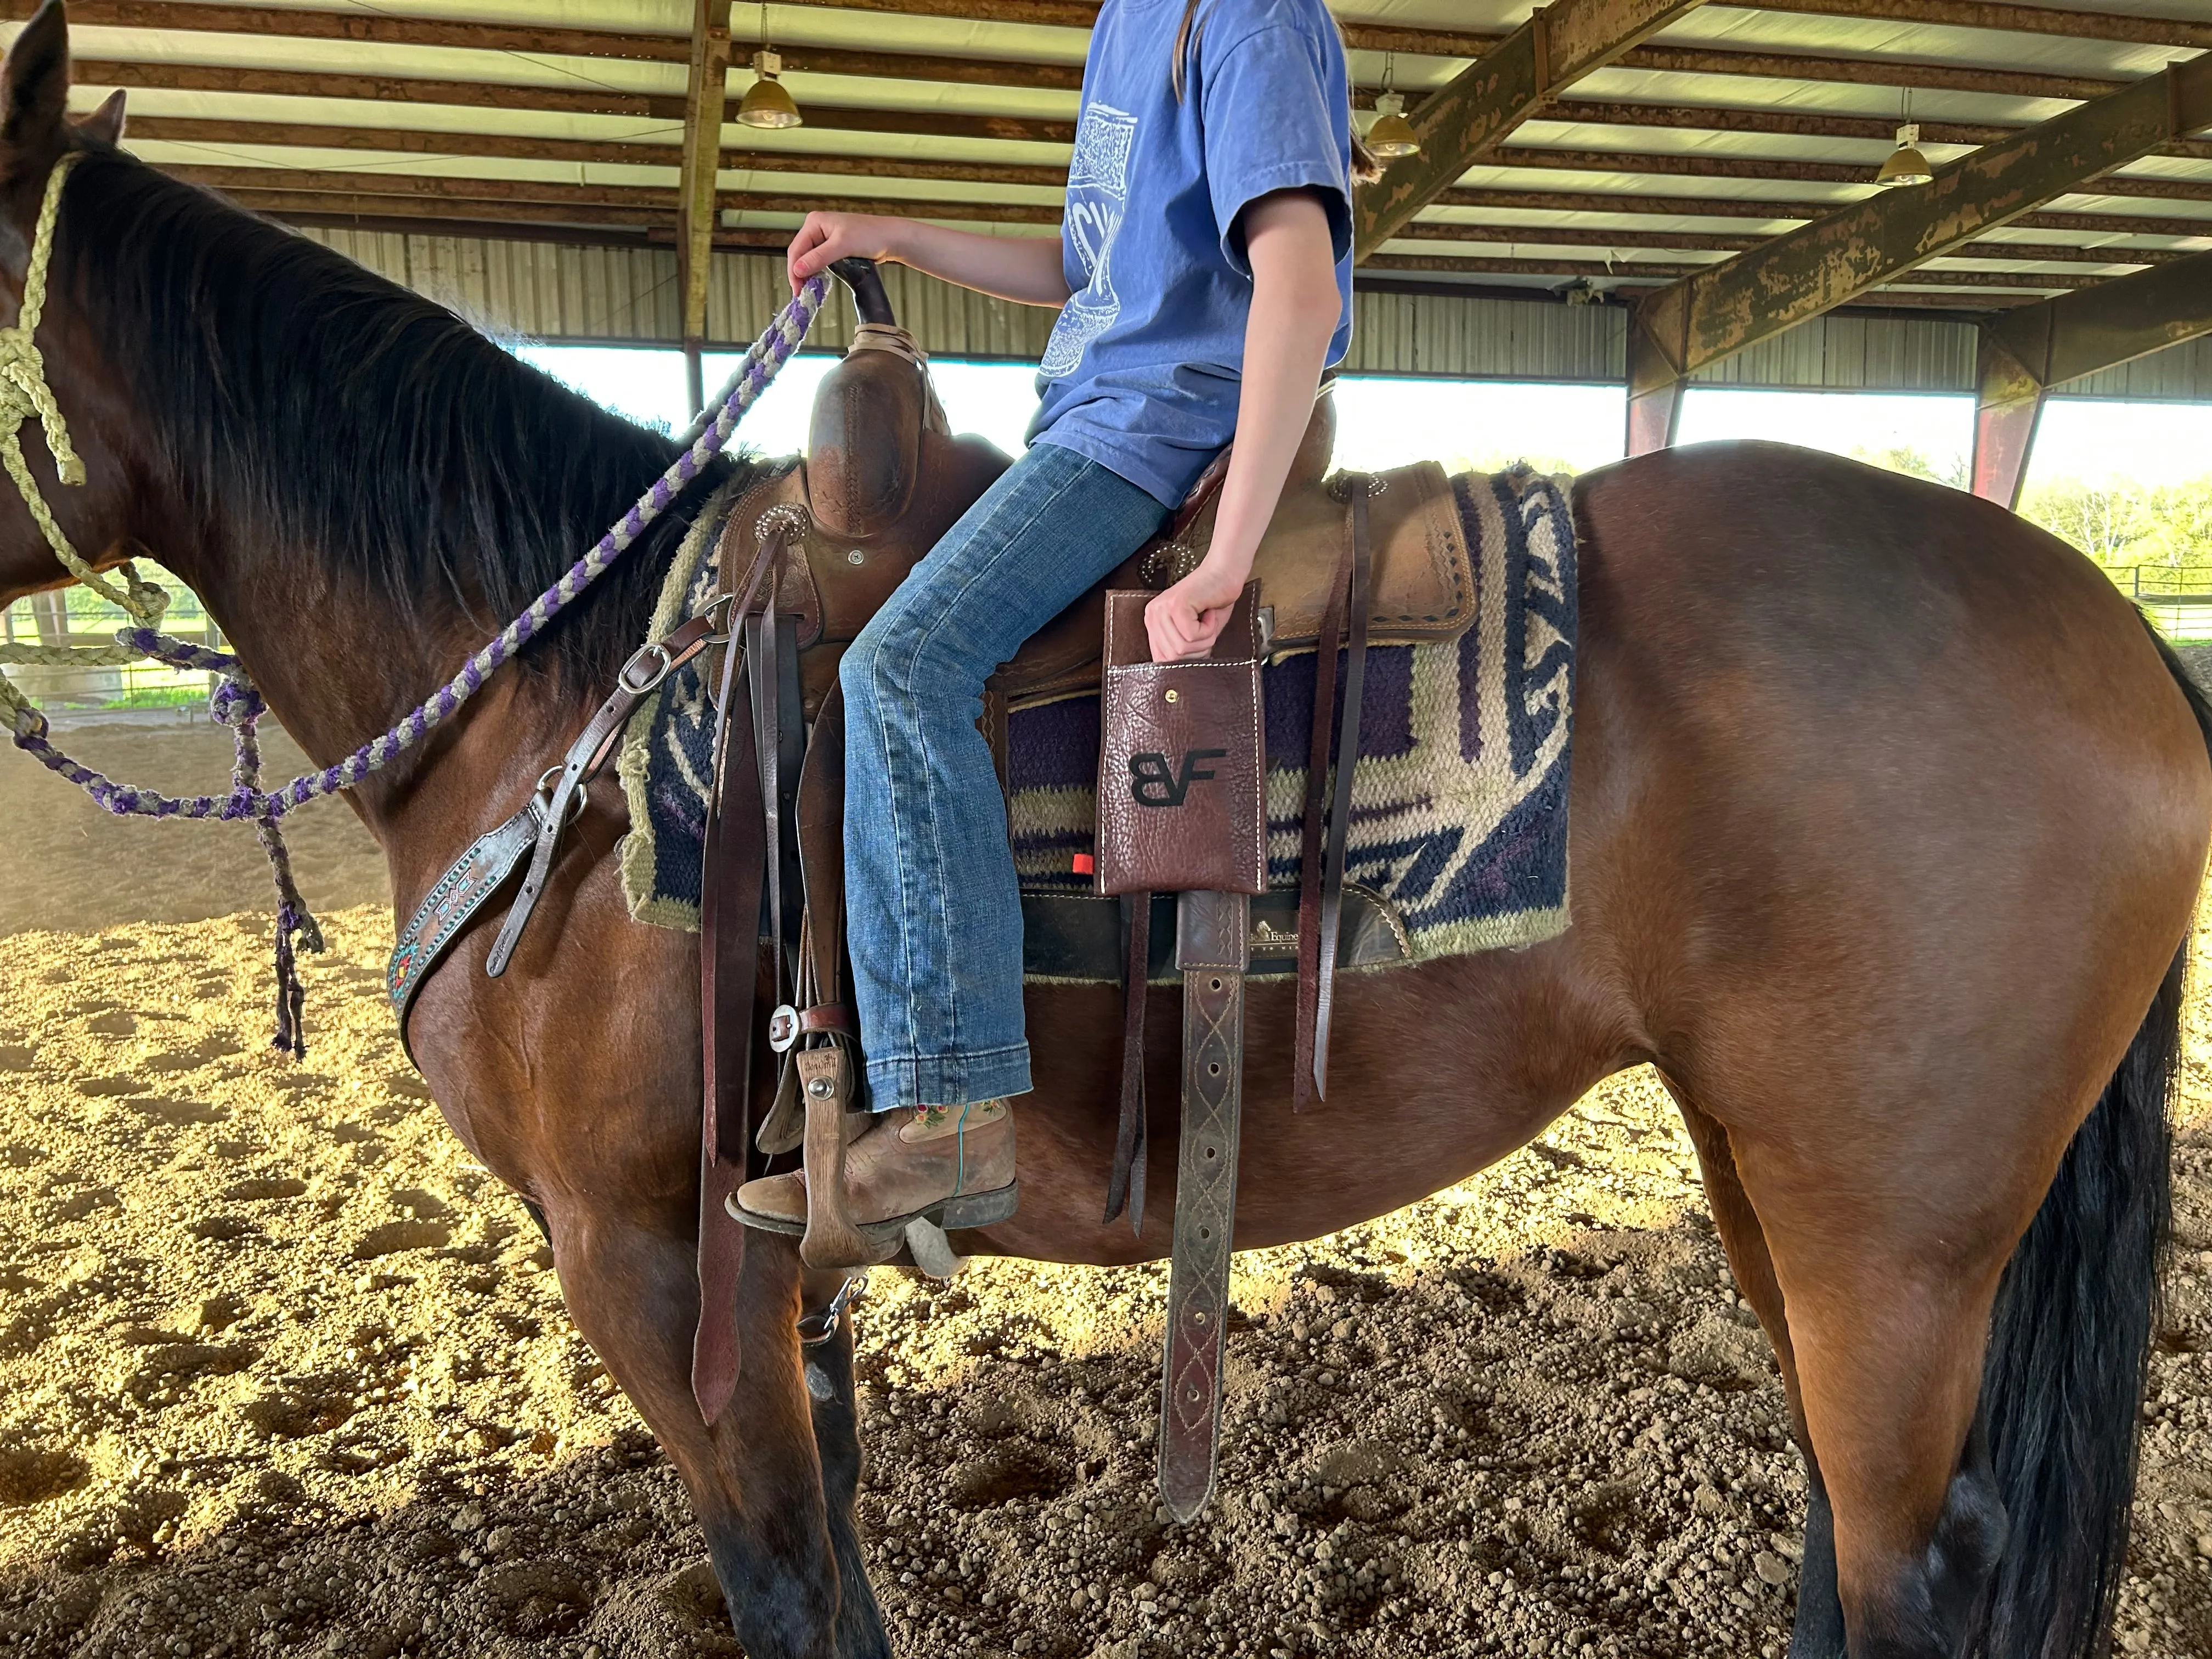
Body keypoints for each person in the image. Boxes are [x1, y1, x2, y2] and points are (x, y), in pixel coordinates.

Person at [732, 0, 1373, 1245]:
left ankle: (953, 1113)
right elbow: (1097, 267)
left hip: (1154, 430)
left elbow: (1299, 284)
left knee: (907, 667)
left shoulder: (1242, 20)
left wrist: (1226, 557)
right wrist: (897, 235)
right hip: (1089, 417)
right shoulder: (1130, 25)